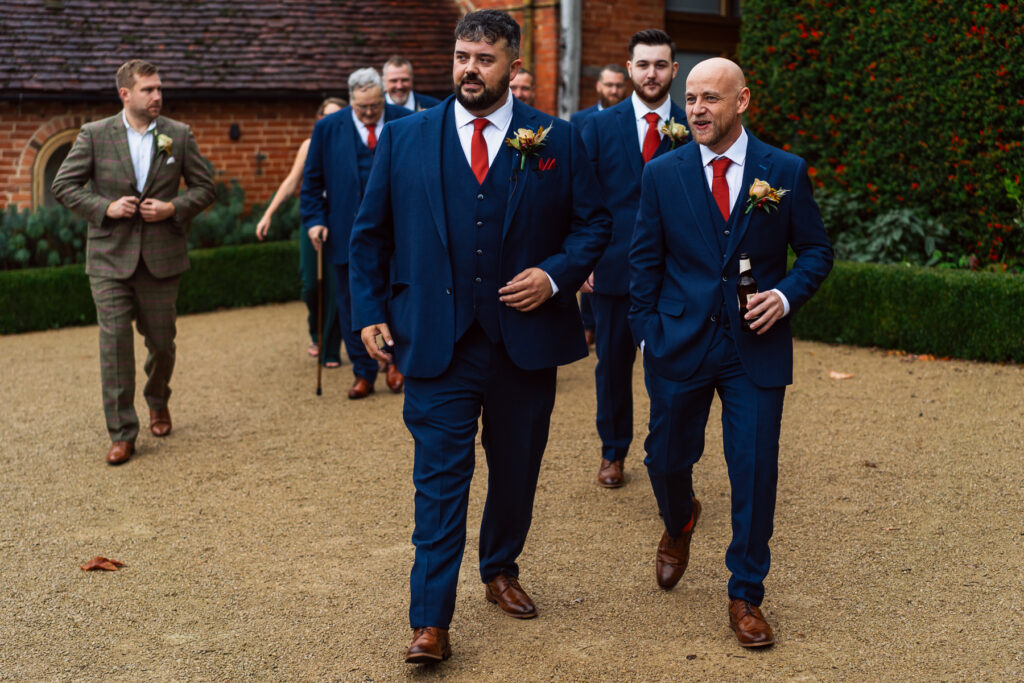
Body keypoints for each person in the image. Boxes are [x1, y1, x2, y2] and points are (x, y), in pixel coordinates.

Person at [349, 10, 611, 664]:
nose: (470, 68)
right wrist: (369, 309)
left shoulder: (554, 138)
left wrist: (554, 277)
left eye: (485, 59)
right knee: (440, 480)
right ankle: (430, 620)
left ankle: (500, 566)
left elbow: (595, 224)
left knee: (516, 470)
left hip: (524, 342)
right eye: (463, 56)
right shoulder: (407, 139)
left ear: (513, 68)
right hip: (436, 341)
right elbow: (369, 236)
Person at [629, 57, 833, 647]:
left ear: (742, 101)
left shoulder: (784, 170)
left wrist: (786, 296)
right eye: (690, 99)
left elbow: (816, 252)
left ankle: (746, 593)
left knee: (753, 472)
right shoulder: (662, 175)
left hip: (755, 348)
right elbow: (644, 261)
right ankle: (679, 519)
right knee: (664, 460)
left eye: (710, 99)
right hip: (678, 342)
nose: (696, 109)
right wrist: (647, 332)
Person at [52, 59, 215, 466]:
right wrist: (105, 206)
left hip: (162, 257)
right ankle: (123, 432)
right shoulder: (93, 135)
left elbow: (205, 187)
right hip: (108, 258)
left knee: (162, 343)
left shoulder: (178, 135)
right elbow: (64, 185)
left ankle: (158, 398)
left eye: (159, 88)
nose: (158, 95)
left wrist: (173, 208)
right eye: (149, 89)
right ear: (125, 94)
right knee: (115, 346)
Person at [579, 29, 688, 489]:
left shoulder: (693, 126)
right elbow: (580, 201)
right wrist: (581, 260)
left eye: (660, 65)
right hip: (612, 269)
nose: (651, 73)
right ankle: (613, 451)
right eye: (643, 64)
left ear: (673, 71)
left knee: (674, 372)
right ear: (629, 69)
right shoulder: (598, 128)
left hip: (677, 276)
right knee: (612, 368)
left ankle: (665, 455)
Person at [303, 68, 410, 399]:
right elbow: (312, 184)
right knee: (351, 305)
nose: (368, 113)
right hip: (346, 234)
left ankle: (396, 364)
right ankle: (363, 372)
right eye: (362, 107)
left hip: (398, 234)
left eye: (374, 106)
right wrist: (315, 221)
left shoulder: (403, 120)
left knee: (398, 300)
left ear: (382, 97)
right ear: (351, 101)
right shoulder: (327, 129)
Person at [256, 97, 346, 368]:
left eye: (336, 117)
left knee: (335, 286)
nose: (330, 122)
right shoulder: (309, 146)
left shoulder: (351, 146)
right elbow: (292, 181)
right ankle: (315, 331)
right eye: (326, 116)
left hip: (341, 222)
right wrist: (269, 213)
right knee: (310, 284)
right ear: (319, 119)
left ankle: (331, 348)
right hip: (312, 220)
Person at [569, 63, 628, 128]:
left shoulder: (632, 118)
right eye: (609, 85)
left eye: (619, 86)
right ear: (598, 86)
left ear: (625, 87)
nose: (614, 91)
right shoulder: (580, 119)